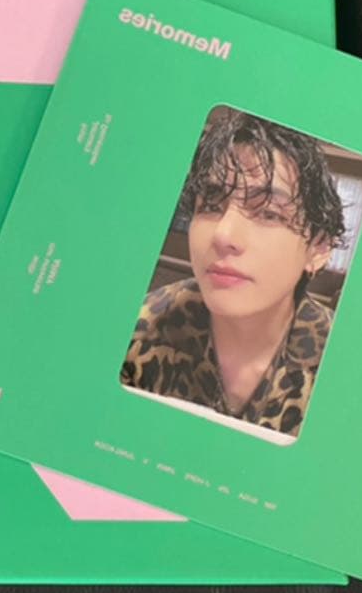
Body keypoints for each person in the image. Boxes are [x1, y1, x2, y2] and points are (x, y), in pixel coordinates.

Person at [121, 108, 346, 438]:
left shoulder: (342, 369)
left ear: (319, 248)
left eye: (268, 213)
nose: (223, 235)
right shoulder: (139, 333)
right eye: (211, 206)